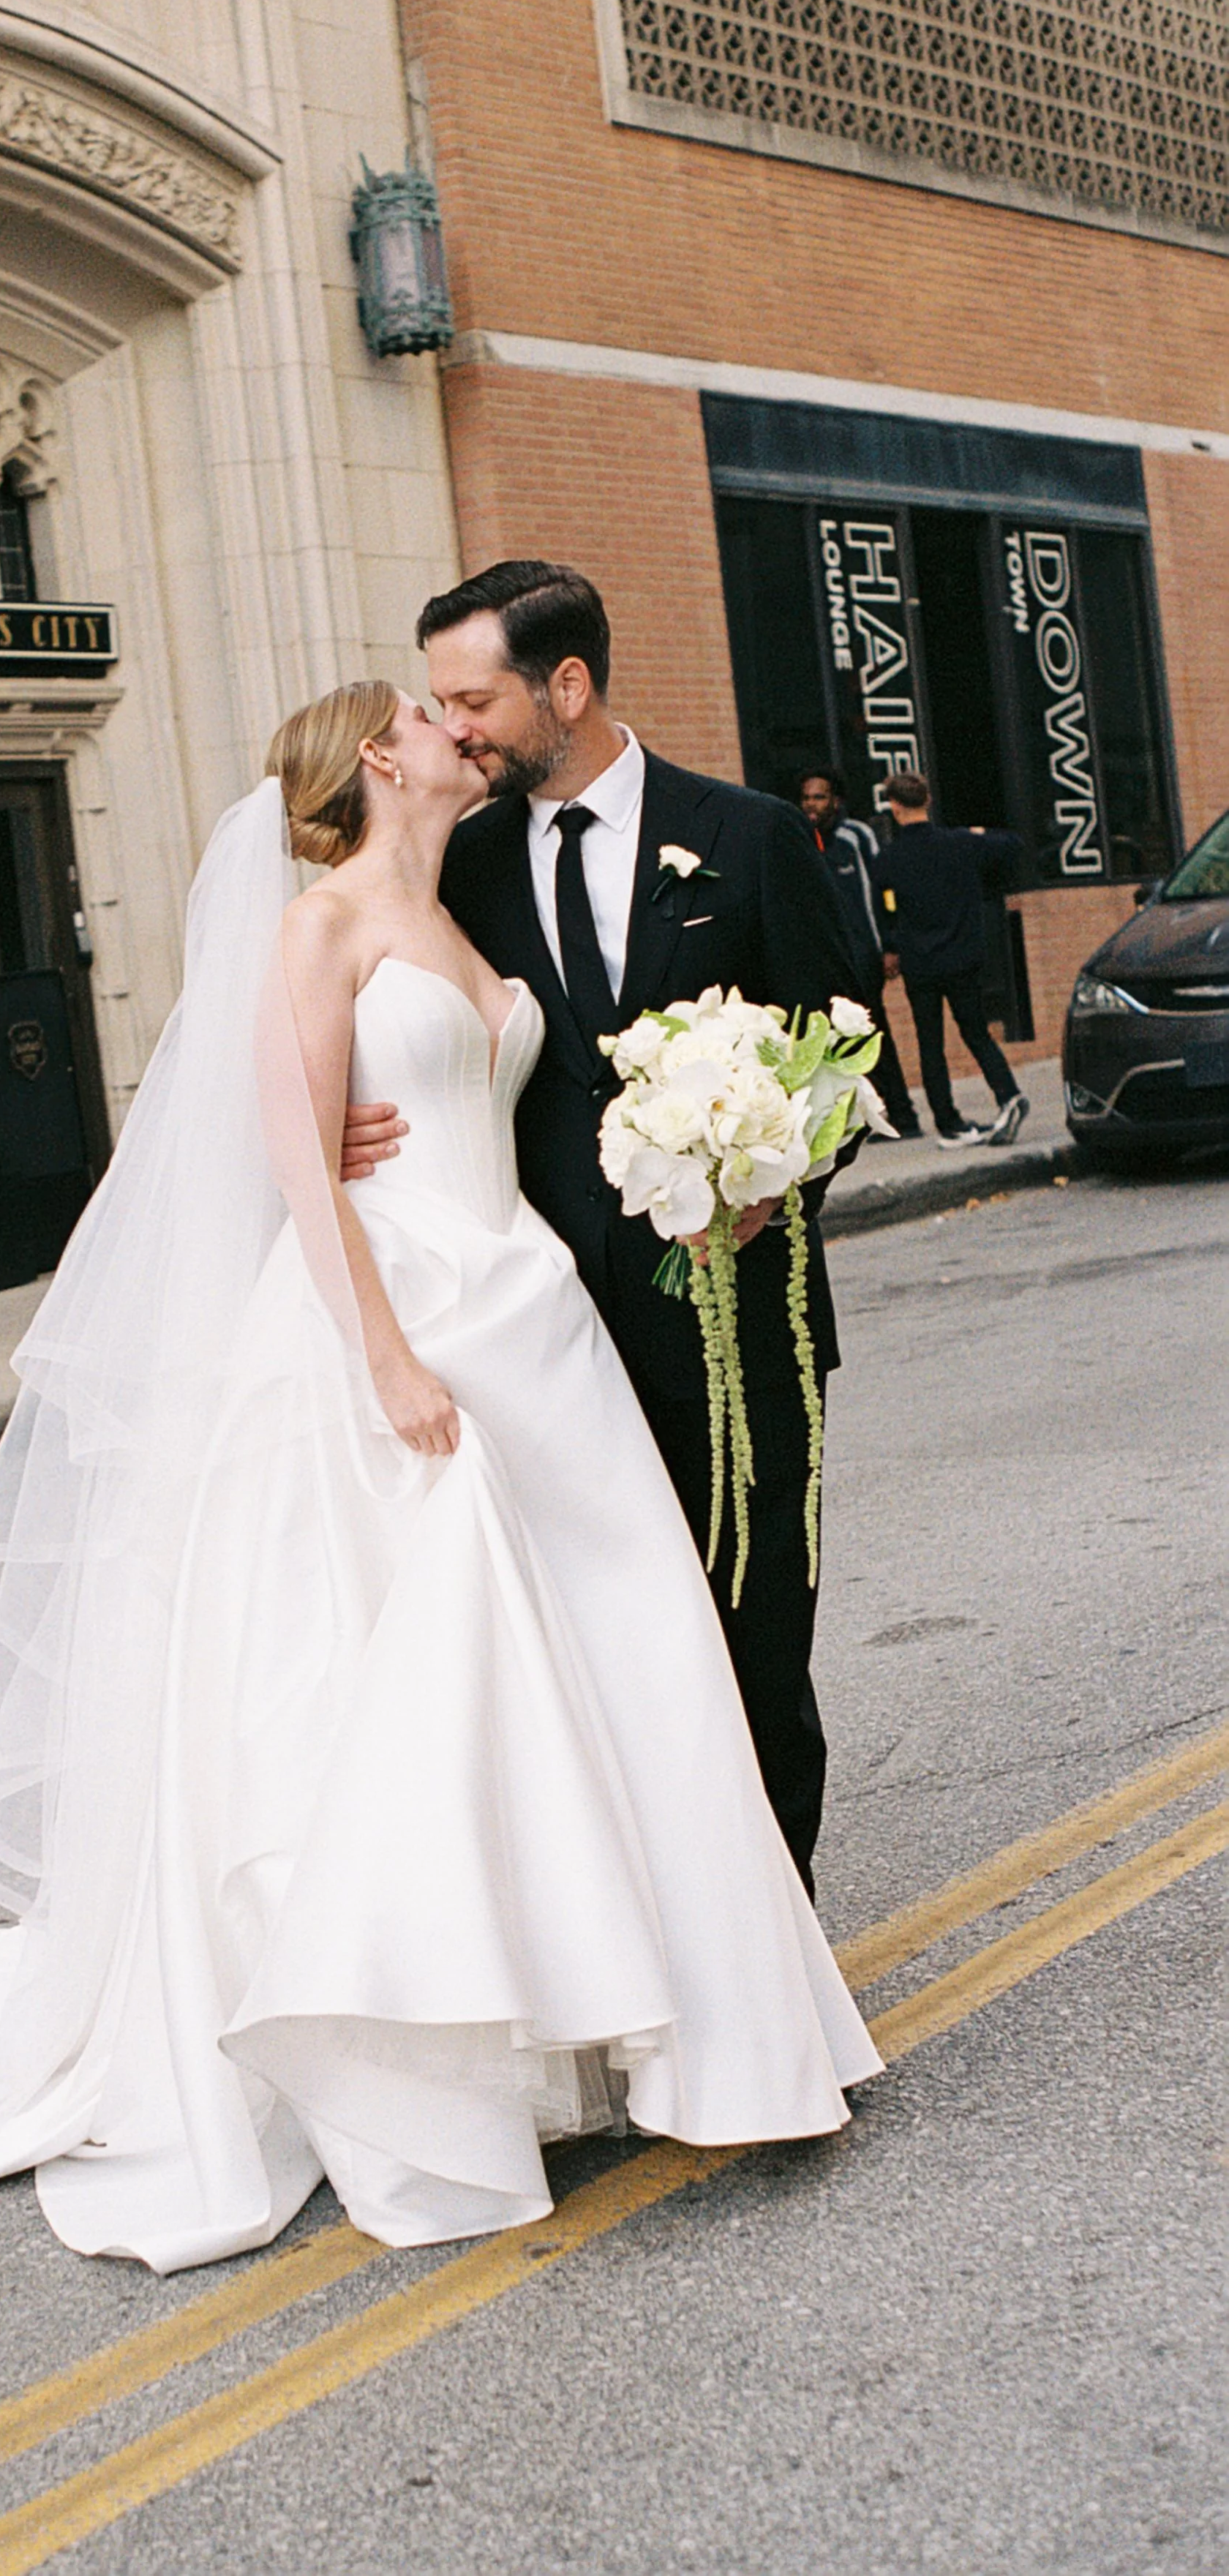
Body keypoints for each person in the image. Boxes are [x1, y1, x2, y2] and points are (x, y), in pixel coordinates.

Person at [0, 681, 879, 2272]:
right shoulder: (317, 926)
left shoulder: (468, 909)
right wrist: (386, 1359)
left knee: (615, 1665)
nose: (454, 723)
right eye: (422, 711)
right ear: (375, 758)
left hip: (530, 1314)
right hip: (396, 1324)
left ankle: (679, 2027)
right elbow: (295, 1158)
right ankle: (429, 2058)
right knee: (423, 1696)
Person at [344, 565, 860, 1889]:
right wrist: (347, 1117)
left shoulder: (748, 836)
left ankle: (777, 1951)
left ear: (565, 685)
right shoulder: (461, 860)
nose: (455, 729)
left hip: (735, 1330)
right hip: (542, 1343)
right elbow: (383, 1009)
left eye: (476, 700)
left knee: (755, 1647)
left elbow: (840, 1061)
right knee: (599, 1662)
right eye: (442, 704)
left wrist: (774, 1177)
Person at [872, 768, 1026, 1148]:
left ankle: (948, 1121)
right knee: (976, 1032)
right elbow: (1013, 844)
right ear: (928, 800)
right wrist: (977, 832)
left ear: (894, 806)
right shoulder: (960, 843)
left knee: (931, 1044)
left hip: (920, 963)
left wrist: (892, 947)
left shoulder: (890, 858)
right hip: (963, 956)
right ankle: (1008, 1094)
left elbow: (884, 910)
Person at [798, 770, 921, 1138]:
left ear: (835, 801)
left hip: (864, 956)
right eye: (807, 797)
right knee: (840, 1044)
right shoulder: (801, 840)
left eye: (820, 797)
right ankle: (863, 1122)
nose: (812, 804)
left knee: (872, 1036)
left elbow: (882, 894)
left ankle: (903, 1116)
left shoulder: (856, 837)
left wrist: (889, 947)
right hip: (826, 960)